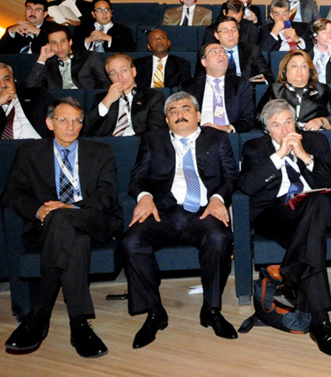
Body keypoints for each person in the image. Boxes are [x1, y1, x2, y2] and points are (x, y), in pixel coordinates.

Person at [3, 97, 121, 357]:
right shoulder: (29, 153)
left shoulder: (100, 151)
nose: (70, 126)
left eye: (77, 121)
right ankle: (79, 323)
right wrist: (40, 209)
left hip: (92, 220)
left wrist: (71, 208)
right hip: (47, 225)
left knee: (62, 218)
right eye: (63, 120)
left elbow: (107, 196)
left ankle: (40, 313)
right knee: (69, 234)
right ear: (49, 123)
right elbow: (12, 193)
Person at [121, 92, 238, 348]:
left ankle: (211, 309)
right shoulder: (152, 140)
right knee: (131, 241)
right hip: (164, 211)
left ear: (198, 115)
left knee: (219, 238)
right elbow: (137, 177)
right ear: (166, 119)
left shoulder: (217, 139)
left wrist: (219, 198)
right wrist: (144, 196)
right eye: (173, 111)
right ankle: (154, 312)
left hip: (203, 211)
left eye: (186, 108)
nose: (180, 114)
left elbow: (231, 176)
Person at [239, 99, 331, 357]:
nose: (284, 129)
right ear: (267, 130)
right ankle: (321, 325)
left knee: (318, 201)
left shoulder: (315, 142)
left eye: (288, 121)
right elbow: (246, 186)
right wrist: (278, 156)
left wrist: (304, 157)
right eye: (276, 125)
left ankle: (294, 285)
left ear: (296, 122)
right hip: (276, 214)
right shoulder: (255, 148)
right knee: (312, 239)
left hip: (316, 211)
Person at [257, 50, 331, 131]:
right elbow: (259, 117)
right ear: (284, 71)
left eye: (304, 66)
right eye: (294, 66)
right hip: (282, 136)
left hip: (313, 136)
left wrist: (321, 121)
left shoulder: (322, 90)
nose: (299, 70)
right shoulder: (275, 90)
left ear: (310, 71)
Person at [84, 54, 166, 137]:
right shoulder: (102, 98)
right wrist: (107, 101)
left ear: (133, 72)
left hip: (137, 144)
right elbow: (85, 129)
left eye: (124, 71)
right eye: (114, 74)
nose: (120, 77)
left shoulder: (152, 97)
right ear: (110, 78)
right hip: (106, 146)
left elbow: (156, 132)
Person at [182, 42, 255, 134]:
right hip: (199, 135)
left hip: (229, 135)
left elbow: (248, 118)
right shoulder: (188, 87)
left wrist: (229, 128)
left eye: (224, 52)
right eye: (214, 52)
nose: (221, 54)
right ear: (203, 62)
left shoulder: (240, 84)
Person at [26, 26, 110, 90]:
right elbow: (31, 87)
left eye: (62, 41)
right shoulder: (48, 66)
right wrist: (42, 59)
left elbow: (103, 83)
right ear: (49, 45)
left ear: (70, 42)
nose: (59, 47)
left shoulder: (89, 57)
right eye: (54, 43)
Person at [202, 15, 273, 84]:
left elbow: (268, 76)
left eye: (234, 30)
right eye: (225, 31)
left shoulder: (253, 50)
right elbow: (199, 79)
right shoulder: (209, 53)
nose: (231, 34)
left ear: (238, 33)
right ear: (216, 35)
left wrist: (264, 80)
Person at [0, 62, 53, 139]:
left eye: (7, 79)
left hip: (38, 147)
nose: (3, 85)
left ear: (14, 80)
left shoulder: (37, 95)